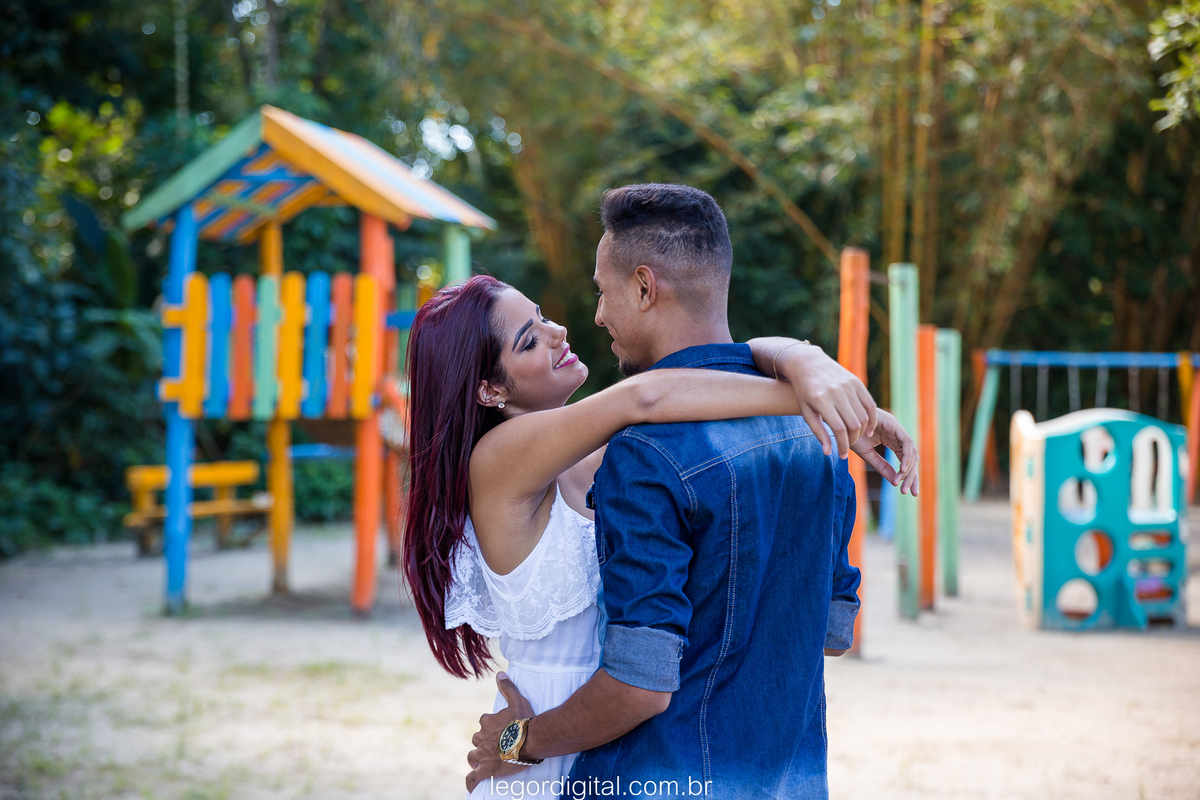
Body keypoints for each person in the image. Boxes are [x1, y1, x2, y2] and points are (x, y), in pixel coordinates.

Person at [405, 195, 917, 800]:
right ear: (490, 390)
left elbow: (678, 396)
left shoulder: (612, 453)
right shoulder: (499, 461)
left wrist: (803, 362)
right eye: (528, 340)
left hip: (603, 741)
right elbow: (646, 397)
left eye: (541, 316)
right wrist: (830, 404)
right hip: (540, 751)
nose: (564, 329)